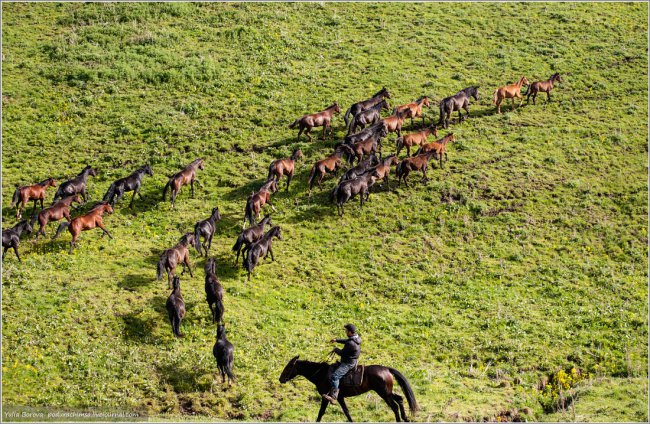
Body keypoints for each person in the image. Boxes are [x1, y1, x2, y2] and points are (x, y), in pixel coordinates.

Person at [322, 323, 362, 404]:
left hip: (348, 363)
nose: (345, 332)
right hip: (352, 360)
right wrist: (336, 340)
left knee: (335, 377)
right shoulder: (356, 338)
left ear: (350, 332)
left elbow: (342, 353)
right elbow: (347, 340)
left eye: (346, 331)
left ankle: (334, 397)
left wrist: (335, 349)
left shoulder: (351, 344)